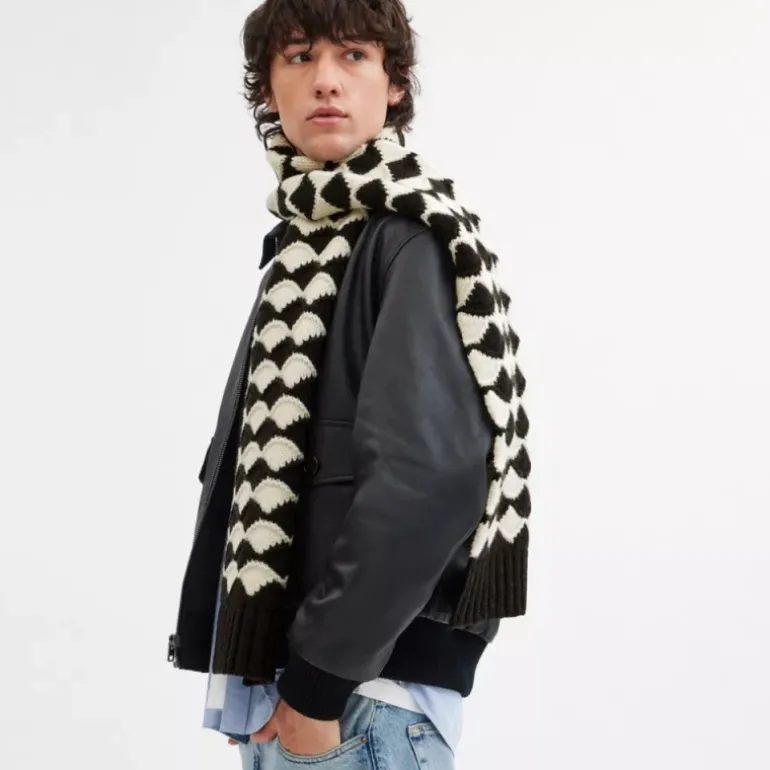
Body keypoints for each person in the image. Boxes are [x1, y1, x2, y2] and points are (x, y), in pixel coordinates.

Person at [167, 1, 532, 768]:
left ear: (394, 84)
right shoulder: (308, 245)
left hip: (360, 701)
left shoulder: (408, 239)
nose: (326, 80)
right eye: (299, 57)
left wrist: (318, 687)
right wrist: (267, 676)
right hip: (305, 694)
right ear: (267, 88)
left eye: (354, 56)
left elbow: (429, 479)